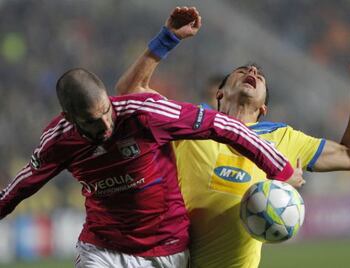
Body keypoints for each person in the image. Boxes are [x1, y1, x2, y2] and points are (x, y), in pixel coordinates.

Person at [116, 6, 350, 268]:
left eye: (259, 76)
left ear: (263, 108)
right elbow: (129, 93)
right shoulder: (191, 122)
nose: (252, 73)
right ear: (219, 95)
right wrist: (167, 37)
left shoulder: (283, 138)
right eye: (243, 70)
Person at [0, 65, 304, 268]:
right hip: (104, 249)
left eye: (107, 110)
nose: (107, 124)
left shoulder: (144, 113)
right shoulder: (58, 141)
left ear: (109, 99)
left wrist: (282, 169)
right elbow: (22, 185)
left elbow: (224, 126)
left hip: (167, 251)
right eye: (93, 121)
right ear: (69, 118)